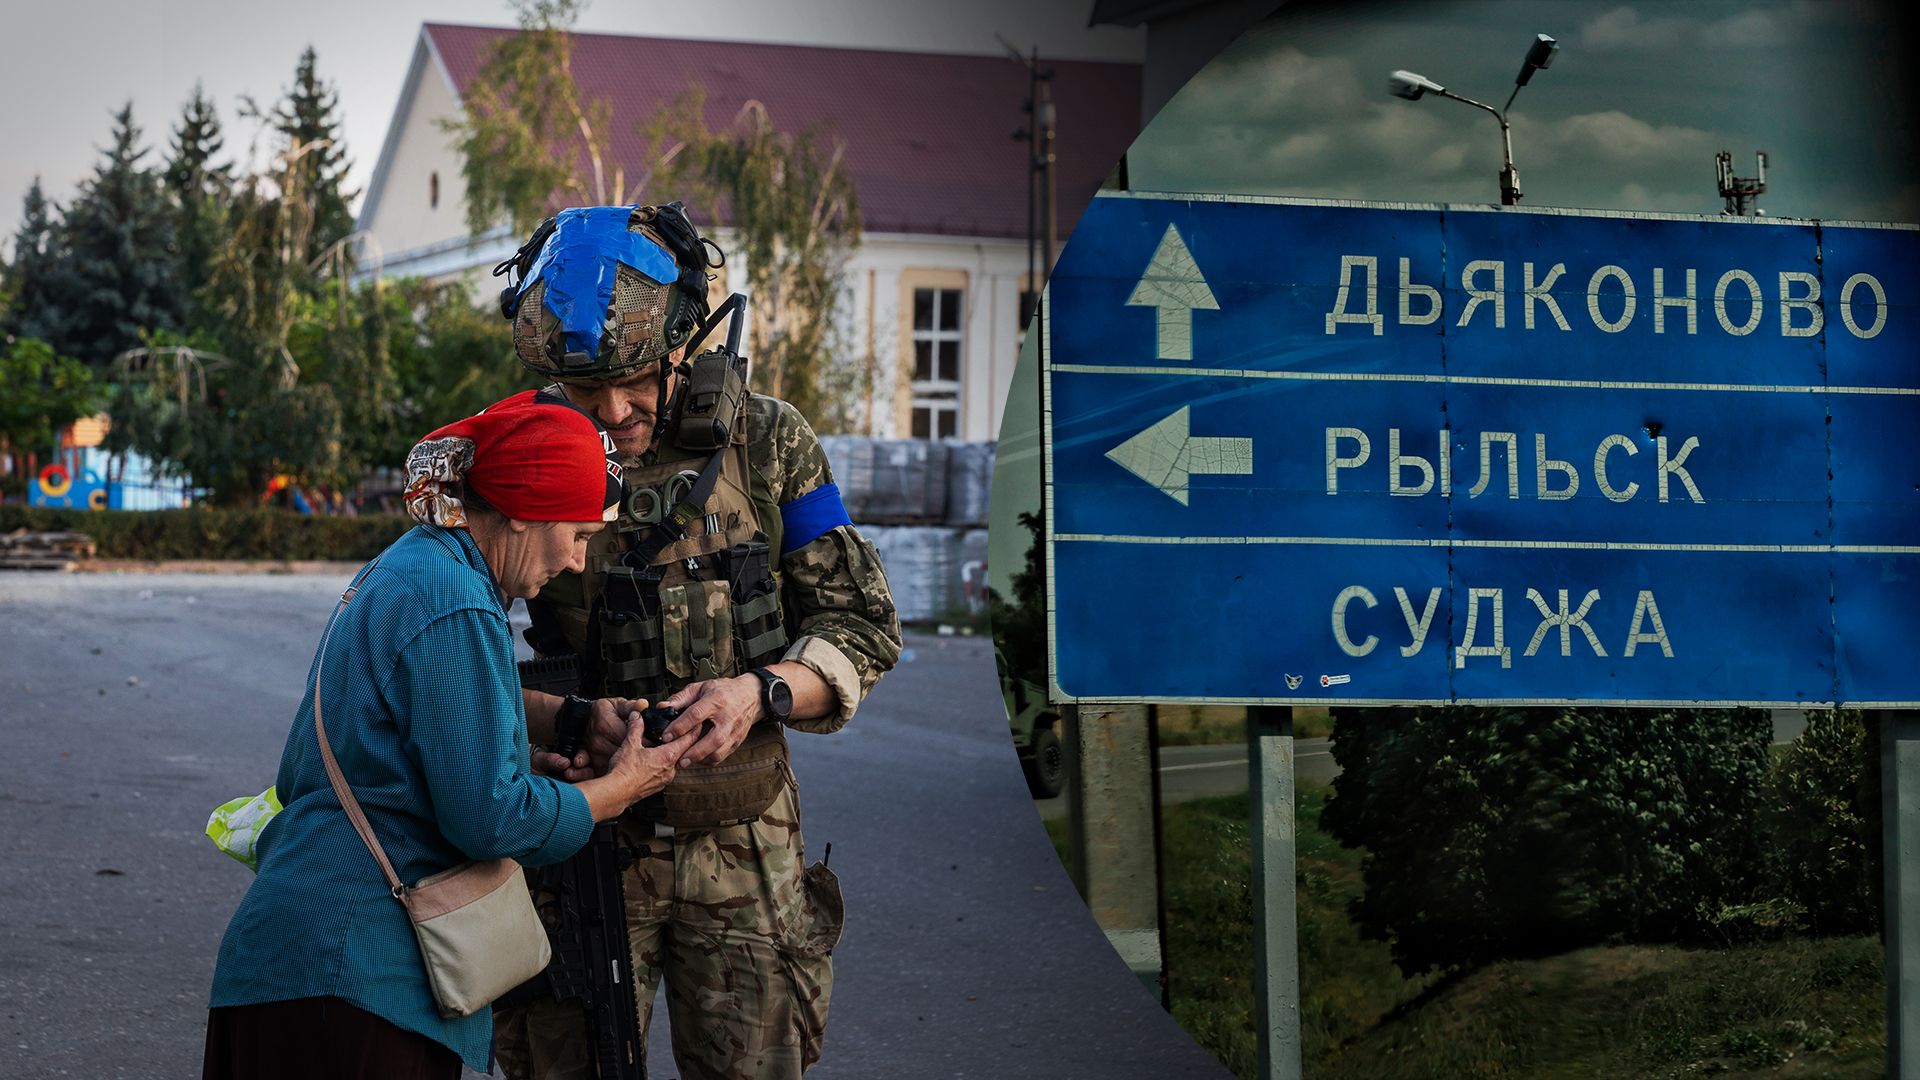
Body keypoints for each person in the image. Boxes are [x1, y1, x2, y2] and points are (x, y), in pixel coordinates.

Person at [491, 203, 903, 1080]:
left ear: (684, 343)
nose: (612, 409)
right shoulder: (519, 456)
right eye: (585, 388)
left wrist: (759, 692)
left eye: (635, 377)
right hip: (581, 849)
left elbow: (861, 623)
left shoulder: (771, 441)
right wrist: (552, 726)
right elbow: (459, 653)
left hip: (746, 851)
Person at [203, 390, 698, 1080]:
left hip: (299, 966)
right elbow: (492, 819)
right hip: (355, 981)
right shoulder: (456, 598)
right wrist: (620, 789)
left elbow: (410, 724)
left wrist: (565, 723)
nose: (579, 562)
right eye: (579, 535)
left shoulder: (416, 565)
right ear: (525, 510)